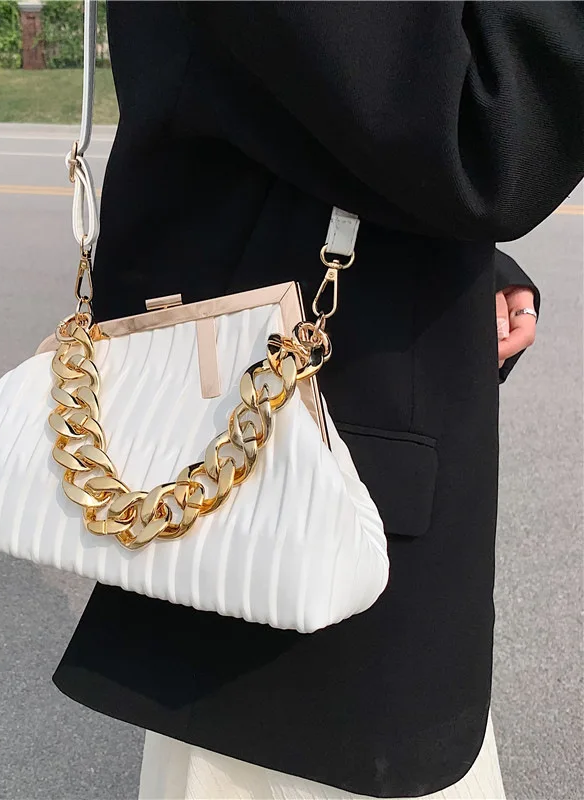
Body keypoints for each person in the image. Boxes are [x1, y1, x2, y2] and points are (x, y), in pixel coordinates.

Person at [52, 3, 584, 798]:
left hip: (292, 494)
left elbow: (306, 93)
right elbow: (490, 131)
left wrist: (454, 265)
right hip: (306, 571)